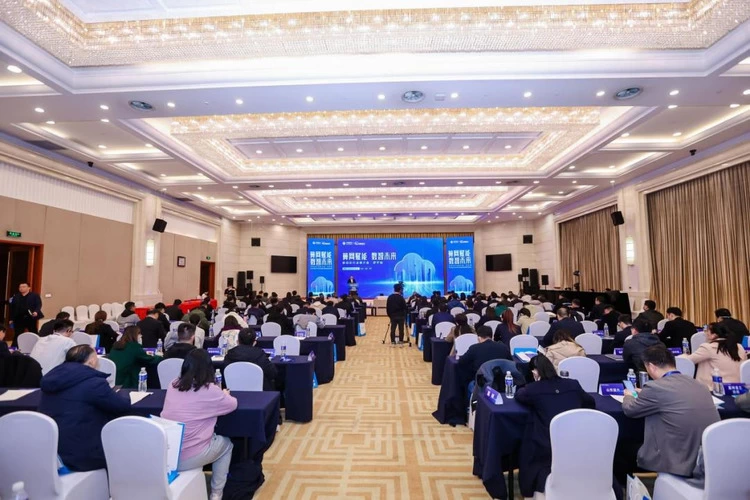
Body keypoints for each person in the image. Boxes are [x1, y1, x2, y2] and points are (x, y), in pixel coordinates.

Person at [622, 345, 719, 484]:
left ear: (651, 367)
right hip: (706, 458)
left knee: (622, 448)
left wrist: (628, 395)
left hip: (677, 459)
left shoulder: (655, 387)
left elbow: (630, 410)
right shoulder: (699, 384)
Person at [38, 345, 130, 471]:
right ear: (91, 362)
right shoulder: (93, 383)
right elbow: (121, 406)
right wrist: (125, 395)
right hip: (82, 455)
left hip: (50, 451)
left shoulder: (52, 379)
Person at [161, 349, 237, 500]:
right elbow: (232, 404)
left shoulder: (173, 384)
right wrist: (224, 394)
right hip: (190, 455)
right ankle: (216, 493)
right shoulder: (210, 390)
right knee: (227, 445)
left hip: (167, 453)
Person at [515, 353, 595, 497]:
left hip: (547, 445)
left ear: (535, 372)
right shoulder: (573, 384)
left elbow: (519, 395)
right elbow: (590, 402)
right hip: (577, 441)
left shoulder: (533, 389)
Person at [682, 322, 746, 390]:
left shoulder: (708, 348)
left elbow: (687, 361)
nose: (705, 333)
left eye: (707, 331)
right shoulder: (739, 347)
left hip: (715, 389)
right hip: (738, 388)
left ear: (713, 335)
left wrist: (683, 356)